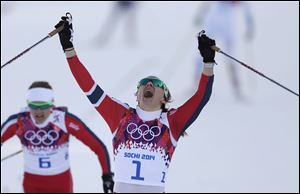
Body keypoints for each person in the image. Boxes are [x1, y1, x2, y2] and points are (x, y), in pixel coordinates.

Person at [55, 14, 215, 193]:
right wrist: (68, 47)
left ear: (164, 98)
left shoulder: (172, 121)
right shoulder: (120, 115)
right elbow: (88, 86)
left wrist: (208, 62)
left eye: (157, 84)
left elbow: (201, 97)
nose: (149, 84)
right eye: (144, 83)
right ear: (137, 95)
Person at [1, 81, 114, 193]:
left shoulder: (64, 120)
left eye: (44, 106)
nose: (38, 111)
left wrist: (107, 176)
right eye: (34, 106)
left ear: (51, 105)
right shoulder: (19, 122)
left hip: (61, 185)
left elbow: (98, 146)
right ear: (28, 104)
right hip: (32, 185)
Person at [194, 1, 254, 100]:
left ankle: (237, 89)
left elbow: (247, 6)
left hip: (228, 22)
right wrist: (200, 14)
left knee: (231, 56)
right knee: (201, 52)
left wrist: (250, 25)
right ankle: (195, 86)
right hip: (213, 19)